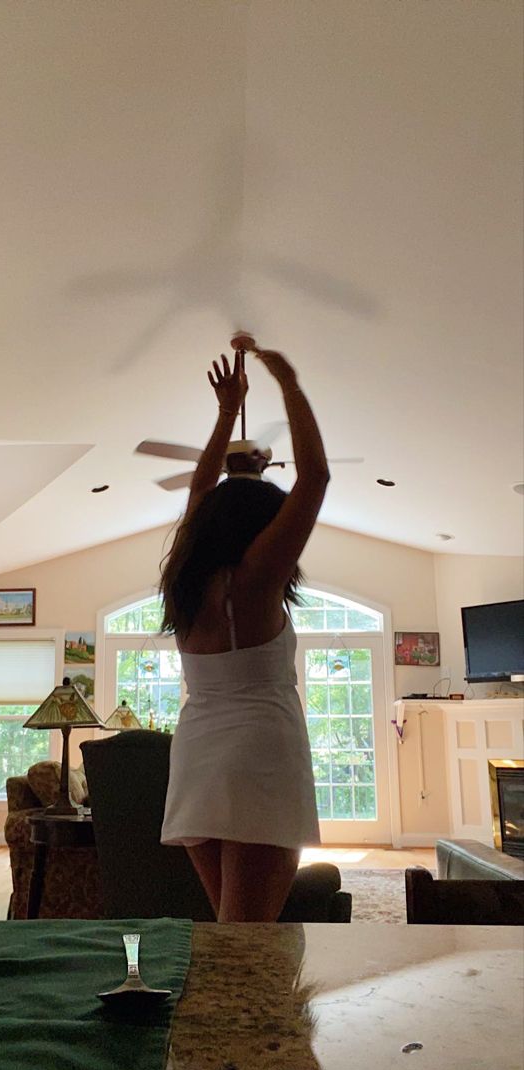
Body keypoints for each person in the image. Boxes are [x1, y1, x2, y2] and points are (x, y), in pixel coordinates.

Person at [159, 342, 330, 921]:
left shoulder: (185, 575)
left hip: (199, 757)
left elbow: (199, 492)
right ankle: (242, 1016)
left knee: (232, 932)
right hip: (260, 754)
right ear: (262, 528)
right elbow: (316, 478)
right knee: (247, 943)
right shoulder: (255, 580)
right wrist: (289, 382)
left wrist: (228, 413)